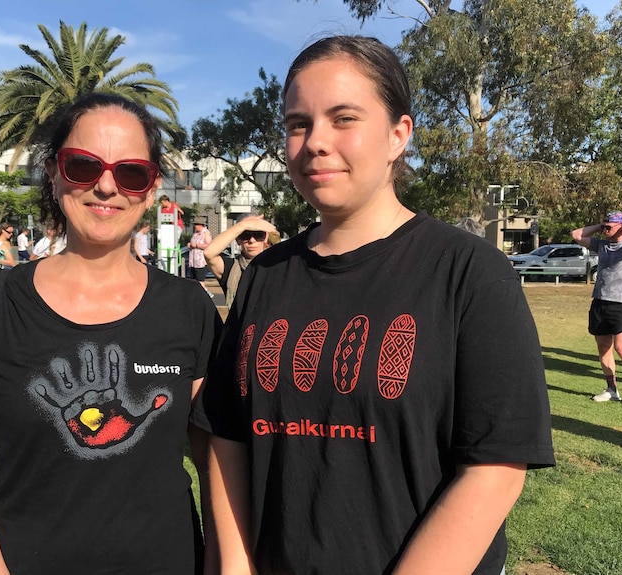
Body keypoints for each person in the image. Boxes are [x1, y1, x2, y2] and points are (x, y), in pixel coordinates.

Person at [194, 36, 554, 575]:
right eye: (298, 123)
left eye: (343, 118)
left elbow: (495, 466)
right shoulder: (266, 275)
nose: (315, 141)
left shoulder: (470, 273)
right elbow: (227, 435)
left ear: (397, 136)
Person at [0, 93, 221, 574]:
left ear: (150, 190)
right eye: (83, 165)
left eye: (131, 173)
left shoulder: (189, 307)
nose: (106, 187)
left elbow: (216, 463)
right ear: (52, 171)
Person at [572, 211, 622, 409]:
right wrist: (601, 226)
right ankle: (611, 389)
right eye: (604, 226)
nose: (605, 230)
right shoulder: (602, 244)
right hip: (600, 301)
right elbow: (576, 235)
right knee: (603, 347)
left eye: (609, 227)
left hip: (621, 303)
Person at [203, 214, 280, 307]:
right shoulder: (230, 267)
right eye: (245, 235)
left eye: (258, 234)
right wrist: (242, 225)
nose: (252, 240)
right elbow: (209, 253)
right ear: (237, 239)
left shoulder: (277, 264)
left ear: (266, 237)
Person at [187, 220, 213, 298]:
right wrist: (189, 245)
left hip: (201, 261)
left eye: (197, 225)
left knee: (200, 280)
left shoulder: (206, 234)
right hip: (193, 261)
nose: (195, 227)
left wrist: (197, 245)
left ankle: (207, 294)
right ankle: (197, 295)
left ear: (201, 225)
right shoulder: (195, 234)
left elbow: (209, 245)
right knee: (194, 280)